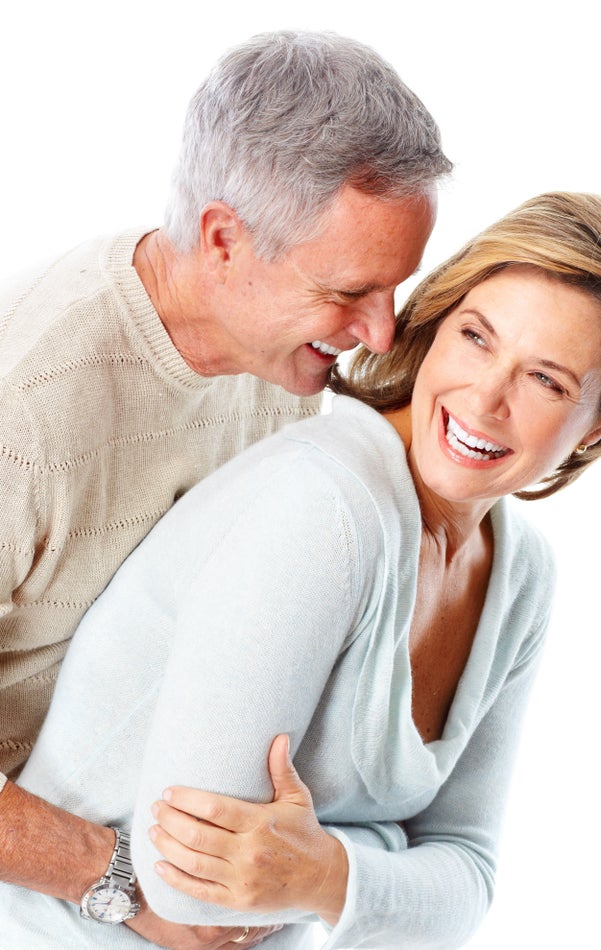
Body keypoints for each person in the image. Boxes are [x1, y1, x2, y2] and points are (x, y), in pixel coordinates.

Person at [1, 191, 601, 948]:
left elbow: (472, 876)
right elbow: (192, 891)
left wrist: (326, 873)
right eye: (477, 338)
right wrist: (388, 858)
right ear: (435, 327)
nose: (485, 400)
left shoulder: (521, 577)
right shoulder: (323, 504)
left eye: (545, 380)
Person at [0, 30, 448, 949]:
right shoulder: (28, 406)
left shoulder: (281, 360)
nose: (381, 329)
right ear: (223, 241)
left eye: (394, 290)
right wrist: (120, 882)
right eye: (351, 290)